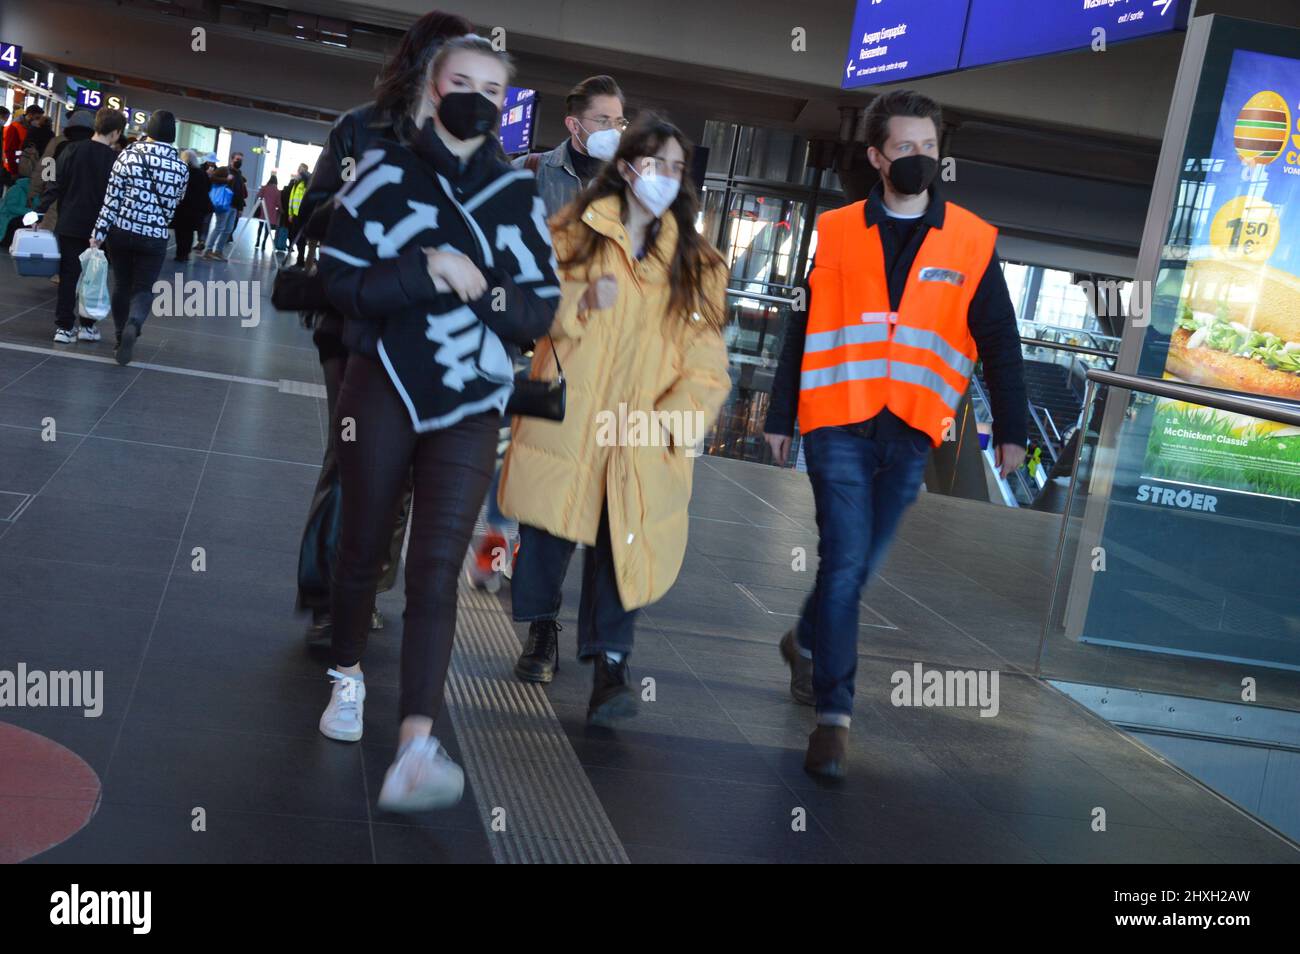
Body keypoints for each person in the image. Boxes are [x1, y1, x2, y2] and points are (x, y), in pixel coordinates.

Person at [316, 33, 560, 812]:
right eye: (465, 83)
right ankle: (346, 674)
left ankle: (416, 742)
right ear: (430, 90)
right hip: (381, 381)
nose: (478, 100)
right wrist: (421, 270)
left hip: (470, 397)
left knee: (436, 569)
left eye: (494, 91)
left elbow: (536, 307)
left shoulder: (517, 197)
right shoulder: (383, 171)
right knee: (363, 545)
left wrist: (481, 289)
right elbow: (340, 282)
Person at [762, 90, 1028, 779]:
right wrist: (777, 414)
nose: (919, 159)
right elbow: (802, 324)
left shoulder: (971, 240)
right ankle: (834, 718)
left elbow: (1000, 339)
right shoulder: (838, 229)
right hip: (838, 422)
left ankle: (805, 640)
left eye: (929, 148)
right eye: (905, 148)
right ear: (878, 156)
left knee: (859, 568)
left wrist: (1013, 428)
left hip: (913, 430)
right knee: (844, 564)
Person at [498, 114, 732, 725]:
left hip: (640, 431)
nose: (664, 177)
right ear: (627, 167)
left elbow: (708, 366)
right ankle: (542, 632)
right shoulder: (571, 235)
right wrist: (580, 302)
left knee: (618, 538)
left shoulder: (698, 265)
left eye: (676, 168)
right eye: (654, 163)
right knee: (550, 534)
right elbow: (532, 316)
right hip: (571, 417)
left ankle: (610, 667)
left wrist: (671, 424)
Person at [293, 9, 471, 648]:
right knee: (355, 459)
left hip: (432, 332)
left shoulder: (472, 148)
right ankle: (328, 596)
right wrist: (354, 202)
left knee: (403, 475)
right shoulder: (358, 130)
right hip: (353, 319)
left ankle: (361, 586)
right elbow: (307, 217)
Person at [466, 74, 630, 592]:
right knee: (511, 456)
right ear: (574, 124)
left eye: (620, 121)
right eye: (603, 120)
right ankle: (496, 552)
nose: (613, 130)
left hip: (591, 351)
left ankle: (536, 570)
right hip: (527, 340)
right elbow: (491, 247)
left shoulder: (629, 188)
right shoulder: (532, 172)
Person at [89, 110, 188, 366]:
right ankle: (135, 323)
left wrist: (98, 233)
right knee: (143, 289)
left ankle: (121, 337)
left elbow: (111, 199)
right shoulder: (180, 167)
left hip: (121, 231)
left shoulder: (128, 155)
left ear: (150, 131)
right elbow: (175, 203)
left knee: (122, 284)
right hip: (154, 235)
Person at [36, 107, 124, 343]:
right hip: (99, 229)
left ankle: (63, 328)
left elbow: (54, 183)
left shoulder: (70, 149)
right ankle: (87, 326)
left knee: (68, 276)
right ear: (116, 133)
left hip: (70, 222)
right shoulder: (116, 160)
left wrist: (39, 210)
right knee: (93, 277)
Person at [172, 150, 213, 263]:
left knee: (179, 231)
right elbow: (208, 188)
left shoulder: (180, 171)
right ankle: (185, 253)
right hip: (195, 207)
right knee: (189, 232)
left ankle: (180, 253)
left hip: (181, 206)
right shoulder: (201, 173)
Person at [202, 158, 241, 261]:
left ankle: (218, 251)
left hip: (234, 205)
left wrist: (240, 207)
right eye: (237, 159)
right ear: (232, 160)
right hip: (224, 203)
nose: (239, 161)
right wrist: (226, 180)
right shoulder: (224, 170)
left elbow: (240, 190)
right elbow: (212, 178)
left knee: (228, 229)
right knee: (220, 227)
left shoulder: (239, 174)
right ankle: (208, 250)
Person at [281, 163, 311, 263]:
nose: (300, 172)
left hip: (303, 214)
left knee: (301, 237)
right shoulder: (296, 183)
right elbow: (292, 198)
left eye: (303, 170)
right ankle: (299, 256)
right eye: (300, 170)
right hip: (294, 215)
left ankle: (300, 258)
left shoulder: (307, 182)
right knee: (294, 235)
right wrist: (290, 213)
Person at [253, 173, 280, 251]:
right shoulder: (277, 191)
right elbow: (278, 203)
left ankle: (257, 241)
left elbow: (259, 196)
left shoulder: (264, 188)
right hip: (271, 212)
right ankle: (264, 243)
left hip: (263, 209)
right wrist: (281, 210)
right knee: (268, 228)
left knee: (260, 226)